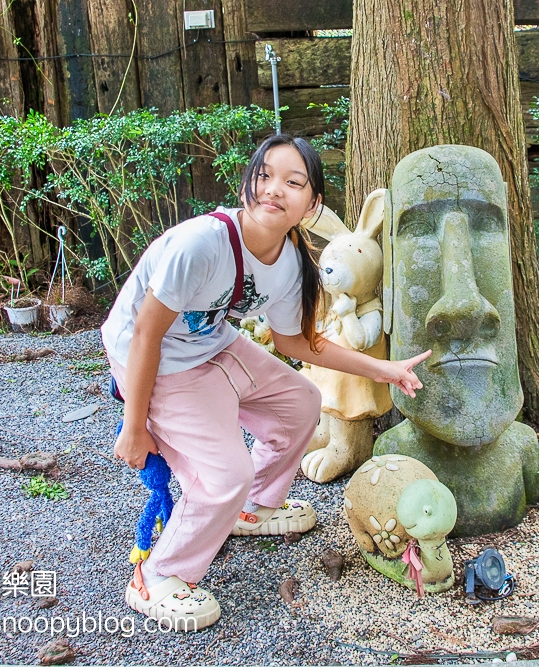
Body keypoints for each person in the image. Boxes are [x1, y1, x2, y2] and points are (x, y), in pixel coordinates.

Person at [101, 134, 430, 631]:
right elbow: (146, 332)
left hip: (209, 342)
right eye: (265, 175)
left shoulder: (292, 260)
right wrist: (134, 425)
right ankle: (158, 574)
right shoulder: (202, 244)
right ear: (247, 183)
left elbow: (296, 343)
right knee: (223, 475)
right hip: (152, 356)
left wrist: (383, 368)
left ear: (312, 204)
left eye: (293, 182)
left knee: (301, 401)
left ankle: (249, 509)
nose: (275, 189)